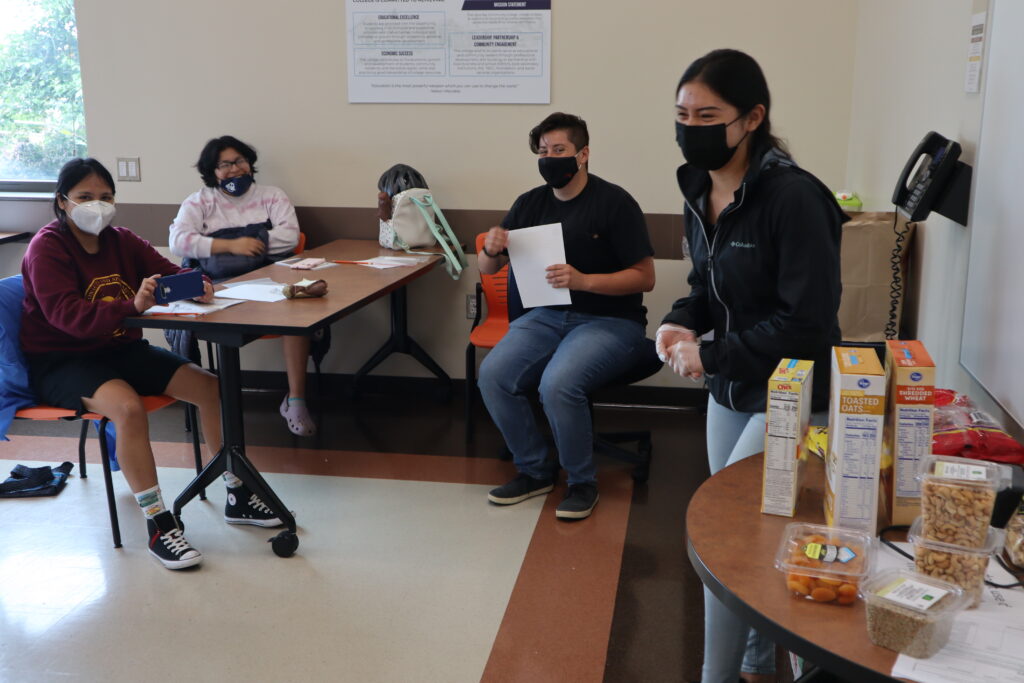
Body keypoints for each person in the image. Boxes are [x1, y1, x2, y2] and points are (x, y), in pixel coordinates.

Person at [656, 50, 844, 683]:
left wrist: (708, 353)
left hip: (794, 394)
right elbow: (707, 286)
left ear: (752, 118)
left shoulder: (795, 198)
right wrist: (681, 319)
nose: (691, 127)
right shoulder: (698, 188)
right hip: (728, 388)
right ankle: (759, 666)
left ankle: (717, 676)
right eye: (682, 114)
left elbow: (806, 324)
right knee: (745, 540)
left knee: (727, 547)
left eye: (708, 114)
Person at [20, 158, 284, 571]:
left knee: (211, 387)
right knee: (127, 408)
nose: (98, 205)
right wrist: (134, 303)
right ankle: (160, 523)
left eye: (106, 197)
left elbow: (173, 272)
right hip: (63, 359)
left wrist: (195, 284)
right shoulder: (47, 248)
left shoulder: (121, 240)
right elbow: (66, 317)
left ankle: (236, 491)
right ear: (62, 201)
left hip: (120, 349)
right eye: (86, 197)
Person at [478, 112, 655, 521]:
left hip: (610, 322)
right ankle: (536, 469)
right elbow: (487, 271)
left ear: (583, 154)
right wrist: (490, 247)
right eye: (543, 151)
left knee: (559, 383)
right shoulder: (529, 204)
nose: (549, 158)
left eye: (559, 150)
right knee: (493, 375)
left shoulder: (614, 203)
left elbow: (645, 277)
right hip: (545, 318)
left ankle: (581, 482)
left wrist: (583, 280)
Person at [169, 135, 316, 436]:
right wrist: (233, 245)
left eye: (239, 161)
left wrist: (243, 245)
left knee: (300, 315)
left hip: (270, 280)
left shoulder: (272, 195)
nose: (234, 169)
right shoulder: (200, 201)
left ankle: (296, 399)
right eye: (225, 164)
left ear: (249, 164)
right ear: (212, 171)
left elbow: (290, 236)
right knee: (216, 318)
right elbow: (178, 242)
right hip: (218, 286)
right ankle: (216, 404)